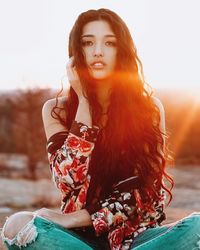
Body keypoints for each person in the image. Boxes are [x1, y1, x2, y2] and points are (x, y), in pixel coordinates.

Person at [1, 8, 200, 250]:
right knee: (17, 225)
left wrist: (73, 218)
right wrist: (84, 101)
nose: (97, 51)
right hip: (77, 240)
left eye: (109, 43)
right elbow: (69, 179)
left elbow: (145, 191)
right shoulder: (56, 110)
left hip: (136, 238)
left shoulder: (149, 109)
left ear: (122, 51)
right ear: (76, 52)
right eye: (87, 42)